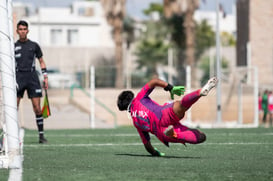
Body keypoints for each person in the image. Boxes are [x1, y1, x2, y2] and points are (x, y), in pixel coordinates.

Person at [117, 77, 218, 156]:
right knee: (181, 105)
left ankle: (173, 134)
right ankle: (199, 92)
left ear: (125, 108)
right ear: (131, 96)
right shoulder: (139, 97)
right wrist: (170, 88)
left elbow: (147, 145)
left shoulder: (136, 122)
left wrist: (155, 153)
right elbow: (154, 81)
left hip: (161, 132)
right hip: (163, 114)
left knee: (198, 136)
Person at [15, 20, 48, 143]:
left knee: (37, 108)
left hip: (32, 78)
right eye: (20, 29)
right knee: (14, 107)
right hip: (18, 78)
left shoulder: (34, 45)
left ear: (27, 31)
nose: (23, 31)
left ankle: (41, 135)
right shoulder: (12, 46)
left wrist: (45, 77)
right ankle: (11, 135)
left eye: (25, 29)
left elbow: (41, 61)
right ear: (17, 31)